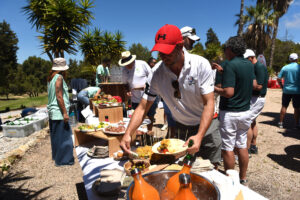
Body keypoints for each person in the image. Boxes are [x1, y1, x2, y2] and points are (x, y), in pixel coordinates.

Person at [120, 24, 220, 166]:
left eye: (167, 51)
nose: (163, 56)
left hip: (207, 125)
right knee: (183, 169)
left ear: (180, 46)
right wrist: (128, 133)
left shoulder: (200, 65)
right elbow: (142, 107)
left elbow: (208, 103)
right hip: (182, 126)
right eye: (160, 52)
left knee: (210, 170)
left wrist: (199, 135)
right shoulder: (156, 74)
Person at [214, 36, 256, 184]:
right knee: (242, 145)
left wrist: (214, 89)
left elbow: (229, 92)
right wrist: (222, 71)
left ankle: (230, 180)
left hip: (230, 112)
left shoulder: (231, 65)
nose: (224, 52)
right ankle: (243, 177)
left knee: (228, 148)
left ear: (230, 49)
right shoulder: (249, 65)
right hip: (245, 111)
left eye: (225, 48)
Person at [47, 58, 74, 166]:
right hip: (59, 111)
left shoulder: (51, 77)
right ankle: (64, 160)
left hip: (53, 111)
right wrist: (65, 113)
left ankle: (57, 157)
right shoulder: (59, 77)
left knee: (56, 137)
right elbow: (59, 96)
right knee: (65, 137)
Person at [119, 51, 155, 132]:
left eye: (129, 63)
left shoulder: (142, 64)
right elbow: (125, 84)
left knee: (150, 115)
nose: (127, 66)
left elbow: (152, 76)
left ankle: (149, 132)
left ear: (132, 60)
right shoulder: (124, 70)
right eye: (126, 64)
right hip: (135, 98)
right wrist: (128, 90)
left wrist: (147, 85)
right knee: (137, 116)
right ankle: (139, 135)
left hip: (148, 96)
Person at [244, 49, 268, 154]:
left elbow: (259, 86)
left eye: (246, 59)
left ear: (251, 57)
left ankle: (247, 148)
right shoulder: (253, 67)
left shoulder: (259, 67)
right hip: (254, 98)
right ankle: (253, 146)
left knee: (247, 122)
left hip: (257, 98)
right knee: (252, 122)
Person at [277, 53, 300, 129]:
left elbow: (278, 78)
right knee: (296, 107)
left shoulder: (285, 67)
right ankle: (296, 124)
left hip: (286, 90)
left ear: (290, 59)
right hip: (297, 91)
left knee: (284, 106)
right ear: (297, 59)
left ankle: (280, 123)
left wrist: (282, 86)